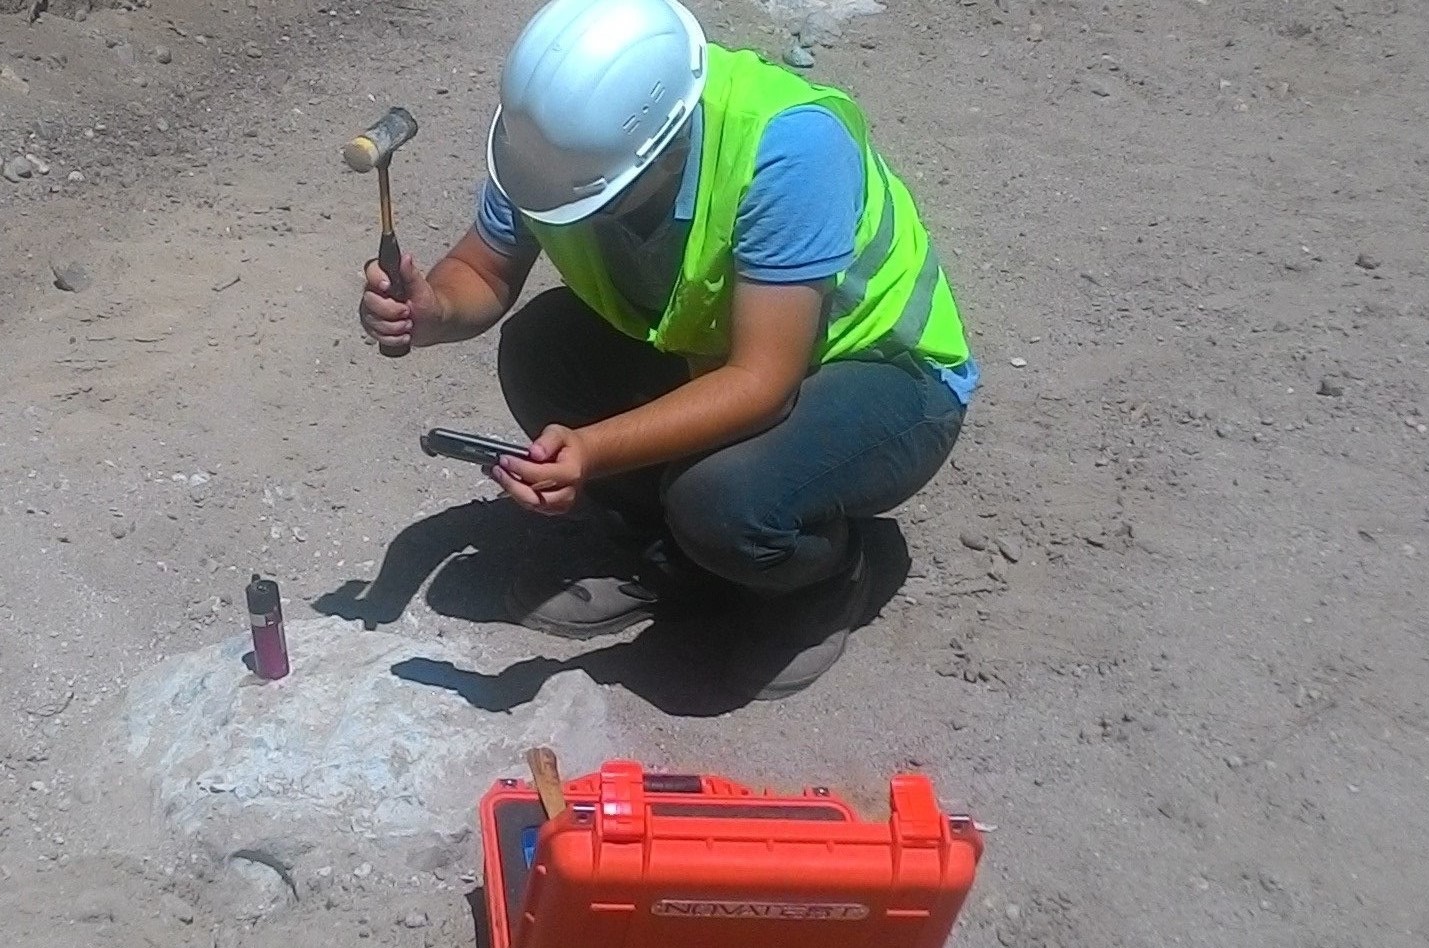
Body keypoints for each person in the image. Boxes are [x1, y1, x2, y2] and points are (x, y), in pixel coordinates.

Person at [356, 0, 976, 700]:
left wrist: (592, 450)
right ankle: (666, 557)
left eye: (597, 201)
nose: (574, 213)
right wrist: (432, 309)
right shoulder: (552, 151)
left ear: (668, 148)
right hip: (722, 350)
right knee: (543, 349)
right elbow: (483, 270)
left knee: (723, 502)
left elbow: (763, 382)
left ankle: (825, 579)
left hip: (886, 375)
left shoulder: (788, 147)